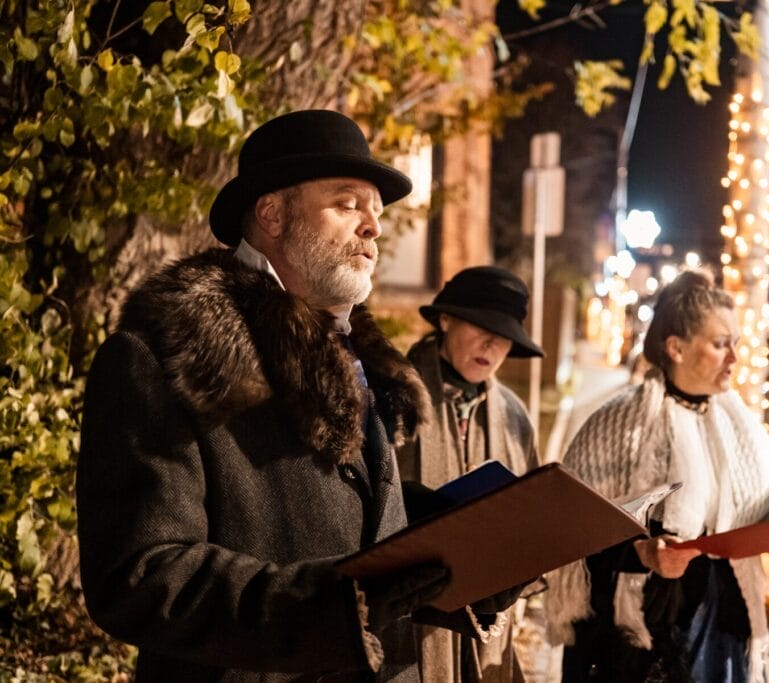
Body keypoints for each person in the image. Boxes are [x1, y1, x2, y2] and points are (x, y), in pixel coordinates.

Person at [76, 110, 517, 681]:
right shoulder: (163, 357)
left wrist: (466, 556)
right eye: (347, 204)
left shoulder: (351, 353)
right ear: (272, 212)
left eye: (376, 212)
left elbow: (340, 513)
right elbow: (140, 574)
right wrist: (333, 603)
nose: (373, 229)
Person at [545, 269, 769, 682]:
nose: (734, 358)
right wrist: (641, 551)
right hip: (644, 632)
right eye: (719, 344)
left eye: (735, 344)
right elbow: (574, 530)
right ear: (675, 347)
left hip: (722, 623)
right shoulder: (617, 425)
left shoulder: (741, 427)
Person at [396, 265, 544, 682]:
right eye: (481, 327)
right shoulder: (392, 395)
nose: (493, 345)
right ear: (445, 320)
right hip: (411, 621)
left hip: (488, 628)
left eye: (506, 337)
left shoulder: (515, 416)